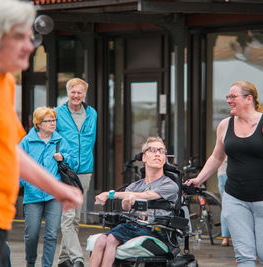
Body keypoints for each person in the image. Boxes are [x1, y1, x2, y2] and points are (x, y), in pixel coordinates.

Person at [0, 1, 82, 267]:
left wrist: (57, 188)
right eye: (20, 36)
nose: (30, 45)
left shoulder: (5, 82)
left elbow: (10, 152)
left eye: (31, 36)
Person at [186, 81, 263, 267]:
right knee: (244, 257)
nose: (229, 101)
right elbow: (216, 157)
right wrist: (199, 179)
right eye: (228, 97)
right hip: (235, 199)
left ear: (249, 99)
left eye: (233, 97)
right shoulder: (225, 125)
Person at [90, 136, 179, 267]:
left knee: (110, 240)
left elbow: (147, 195)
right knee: (101, 240)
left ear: (165, 158)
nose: (158, 154)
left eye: (162, 151)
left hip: (156, 230)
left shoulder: (170, 185)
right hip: (132, 227)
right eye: (153, 150)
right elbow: (125, 208)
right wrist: (127, 201)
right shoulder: (134, 186)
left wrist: (110, 194)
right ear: (144, 157)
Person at [19, 107, 79, 267]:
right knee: (31, 234)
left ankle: (47, 265)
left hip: (54, 196)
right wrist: (27, 184)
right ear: (38, 124)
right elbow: (17, 166)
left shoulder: (60, 141)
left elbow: (74, 162)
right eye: (49, 121)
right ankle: (30, 262)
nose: (53, 123)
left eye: (54, 120)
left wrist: (63, 157)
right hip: (33, 195)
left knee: (51, 234)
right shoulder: (26, 142)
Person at [56, 78, 97, 267]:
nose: (76, 96)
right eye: (73, 92)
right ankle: (77, 258)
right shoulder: (57, 114)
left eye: (79, 92)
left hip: (85, 170)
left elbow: (90, 141)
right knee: (68, 216)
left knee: (76, 217)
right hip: (65, 170)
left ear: (84, 94)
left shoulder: (92, 114)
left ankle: (63, 260)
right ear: (68, 93)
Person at [217, 158, 230, 247]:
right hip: (229, 173)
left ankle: (225, 237)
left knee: (225, 205)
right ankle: (225, 237)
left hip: (222, 173)